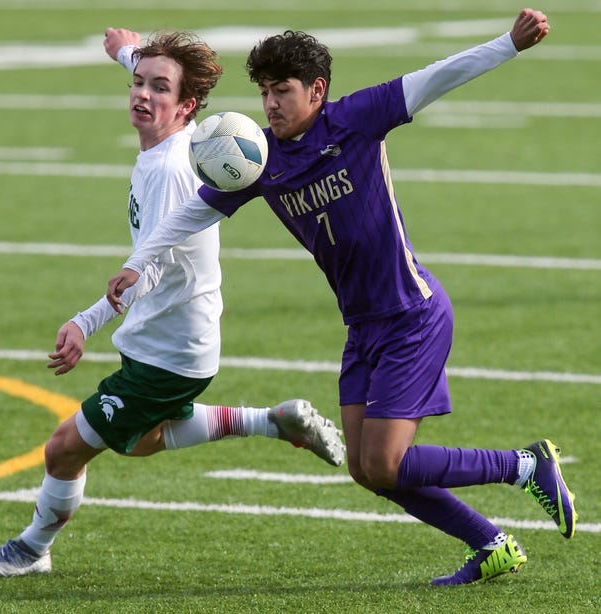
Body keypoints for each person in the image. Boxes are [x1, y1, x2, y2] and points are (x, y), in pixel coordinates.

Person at [104, 10, 578, 586]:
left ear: (317, 91)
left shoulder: (355, 119)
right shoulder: (257, 159)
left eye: (282, 91)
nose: (270, 104)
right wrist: (136, 264)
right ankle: (491, 543)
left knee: (384, 462)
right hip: (362, 329)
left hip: (412, 316)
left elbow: (438, 76)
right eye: (264, 92)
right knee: (366, 470)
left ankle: (526, 466)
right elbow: (190, 213)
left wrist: (508, 44)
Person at [0, 28, 345, 578]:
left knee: (63, 449)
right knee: (141, 440)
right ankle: (272, 421)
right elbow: (158, 80)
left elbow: (148, 270)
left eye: (157, 88)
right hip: (178, 339)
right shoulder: (174, 138)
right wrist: (127, 52)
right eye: (136, 83)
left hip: (169, 348)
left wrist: (83, 321)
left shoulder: (168, 170)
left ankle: (31, 547)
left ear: (186, 106)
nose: (141, 94)